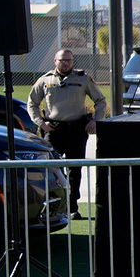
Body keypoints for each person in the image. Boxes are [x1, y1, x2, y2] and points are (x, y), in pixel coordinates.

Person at [27, 48, 107, 218]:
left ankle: (72, 208)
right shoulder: (45, 80)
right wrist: (41, 123)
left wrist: (95, 121)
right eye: (62, 60)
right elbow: (31, 103)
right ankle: (52, 208)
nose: (65, 63)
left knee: (74, 170)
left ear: (73, 61)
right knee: (51, 170)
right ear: (54, 61)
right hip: (54, 130)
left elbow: (100, 100)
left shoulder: (83, 79)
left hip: (77, 130)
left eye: (68, 60)